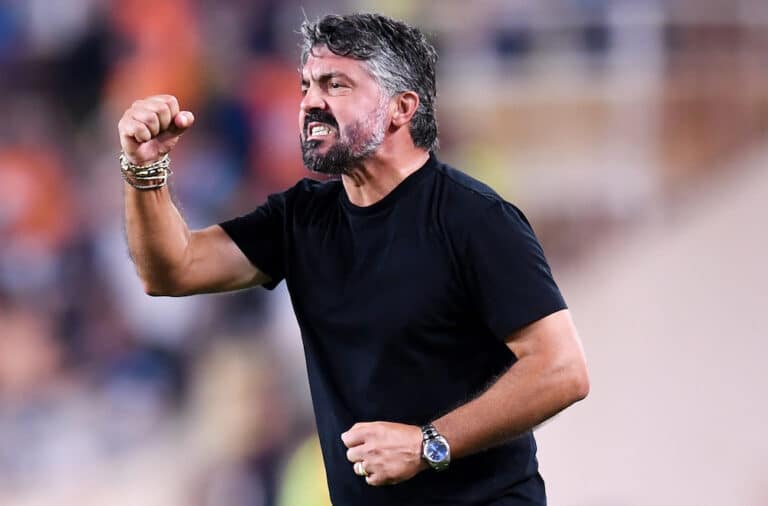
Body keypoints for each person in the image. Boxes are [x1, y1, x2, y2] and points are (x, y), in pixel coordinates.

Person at [117, 12, 589, 506]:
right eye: (306, 86)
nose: (310, 103)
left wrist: (427, 444)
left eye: (335, 85)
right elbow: (173, 269)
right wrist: (144, 171)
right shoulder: (300, 220)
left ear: (401, 108)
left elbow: (561, 369)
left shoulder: (474, 219)